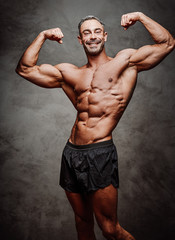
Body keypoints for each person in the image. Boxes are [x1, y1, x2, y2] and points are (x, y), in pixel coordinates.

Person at [16, 12, 174, 240]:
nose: (92, 36)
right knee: (82, 223)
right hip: (71, 153)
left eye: (97, 31)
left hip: (99, 153)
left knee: (110, 229)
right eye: (86, 33)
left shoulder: (126, 62)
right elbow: (25, 69)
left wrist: (140, 17)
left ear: (105, 36)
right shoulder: (69, 73)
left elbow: (167, 43)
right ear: (80, 40)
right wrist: (42, 35)